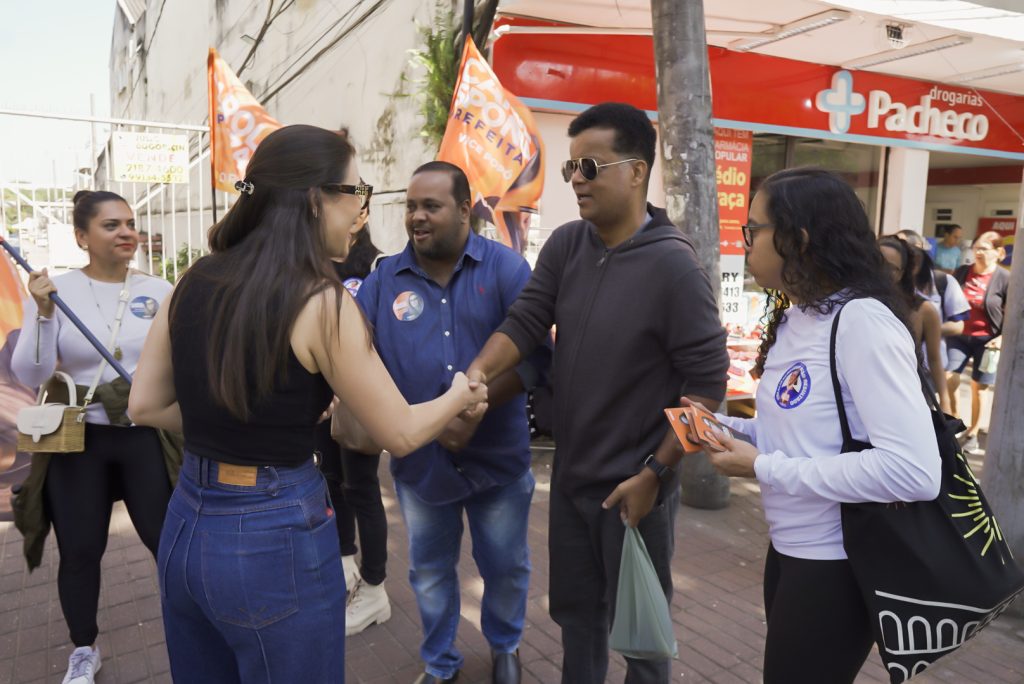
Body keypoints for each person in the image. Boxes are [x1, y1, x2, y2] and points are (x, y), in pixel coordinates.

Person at [127, 125, 486, 684]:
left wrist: (249, 424)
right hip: (273, 531)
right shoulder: (321, 302)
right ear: (316, 198)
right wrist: (460, 392)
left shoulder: (192, 279)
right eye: (356, 192)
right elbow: (403, 432)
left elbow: (145, 405)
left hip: (186, 524)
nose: (360, 211)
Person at [467, 102, 730, 683]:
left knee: (641, 638)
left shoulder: (674, 266)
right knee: (577, 621)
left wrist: (656, 475)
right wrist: (476, 375)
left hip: (636, 489)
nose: (577, 179)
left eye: (589, 165)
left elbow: (709, 390)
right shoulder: (566, 245)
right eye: (570, 168)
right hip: (572, 479)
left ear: (636, 172)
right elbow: (525, 322)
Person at [697, 167, 940, 684]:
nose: (745, 243)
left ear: (798, 240)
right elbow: (802, 439)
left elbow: (914, 471)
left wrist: (763, 467)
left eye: (753, 230)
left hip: (838, 565)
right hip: (789, 551)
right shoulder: (797, 316)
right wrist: (724, 428)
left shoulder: (861, 322)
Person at [355, 161, 549, 684]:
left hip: (498, 463)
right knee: (430, 574)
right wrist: (431, 420)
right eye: (411, 206)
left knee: (506, 568)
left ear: (465, 210)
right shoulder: (382, 281)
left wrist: (475, 402)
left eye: (431, 206)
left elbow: (535, 357)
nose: (417, 217)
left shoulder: (506, 270)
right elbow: (362, 361)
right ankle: (441, 663)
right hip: (421, 465)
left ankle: (505, 648)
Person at [11, 190, 175, 684]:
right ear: (82, 237)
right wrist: (42, 315)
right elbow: (30, 372)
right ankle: (84, 648)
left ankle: (194, 628)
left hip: (143, 436)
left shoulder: (160, 288)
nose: (127, 232)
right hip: (80, 442)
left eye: (130, 223)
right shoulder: (55, 290)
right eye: (111, 225)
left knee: (169, 544)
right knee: (81, 550)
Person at [311, 190, 392, 636]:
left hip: (359, 401)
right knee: (330, 484)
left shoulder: (380, 267)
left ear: (363, 215)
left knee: (361, 487)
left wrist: (353, 387)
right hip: (321, 400)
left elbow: (382, 338)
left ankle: (375, 585)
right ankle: (345, 562)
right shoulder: (316, 265)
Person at [946, 231, 1010, 455]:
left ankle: (972, 432)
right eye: (976, 247)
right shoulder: (963, 272)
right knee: (948, 376)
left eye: (985, 248)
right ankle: (955, 421)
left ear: (999, 252)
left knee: (979, 388)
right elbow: (948, 297)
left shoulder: (1004, 278)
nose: (979, 252)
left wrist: (1001, 338)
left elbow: (1012, 313)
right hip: (960, 335)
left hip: (988, 340)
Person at [878, 236, 950, 413]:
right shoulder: (849, 303)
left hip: (909, 397)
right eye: (876, 262)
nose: (882, 271)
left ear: (902, 273)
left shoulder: (924, 310)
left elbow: (934, 359)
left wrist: (945, 405)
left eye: (891, 268)